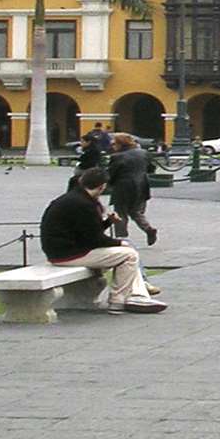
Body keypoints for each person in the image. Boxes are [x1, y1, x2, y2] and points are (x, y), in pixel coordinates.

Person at [38, 168, 166, 314]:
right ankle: (120, 300)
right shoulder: (84, 204)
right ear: (102, 186)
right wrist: (119, 243)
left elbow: (86, 231)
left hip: (62, 250)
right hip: (69, 254)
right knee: (129, 254)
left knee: (127, 249)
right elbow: (94, 240)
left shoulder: (75, 198)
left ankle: (137, 293)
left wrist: (108, 222)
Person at [105, 132, 157, 245]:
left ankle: (121, 238)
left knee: (120, 213)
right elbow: (151, 169)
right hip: (142, 185)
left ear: (120, 144)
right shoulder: (143, 153)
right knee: (136, 212)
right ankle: (148, 229)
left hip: (123, 187)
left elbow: (111, 174)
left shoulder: (117, 157)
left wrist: (108, 184)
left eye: (114, 144)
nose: (113, 146)